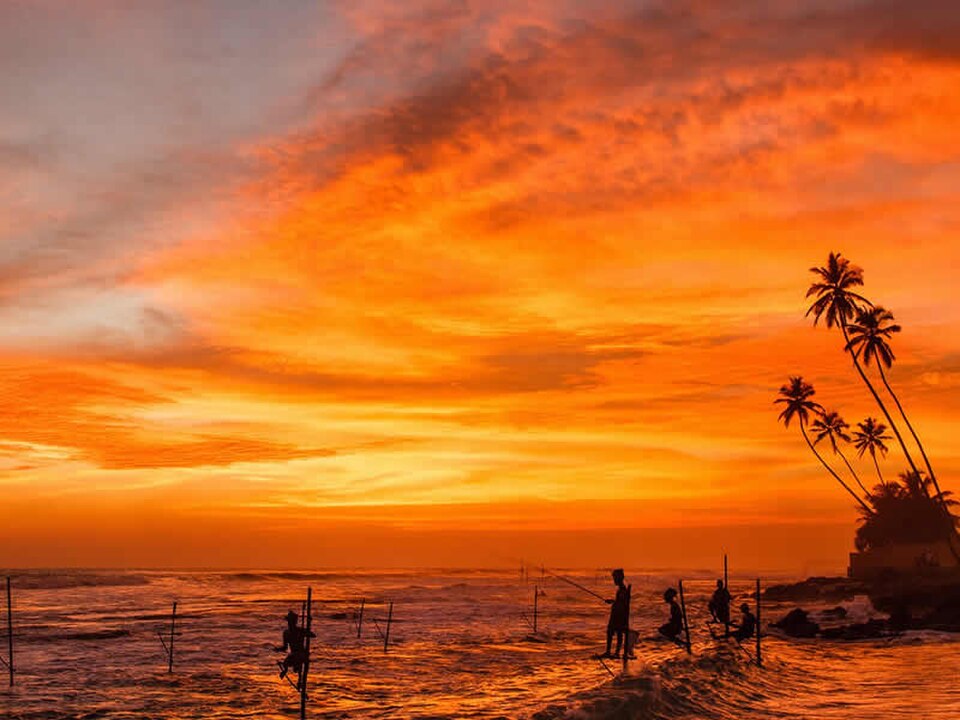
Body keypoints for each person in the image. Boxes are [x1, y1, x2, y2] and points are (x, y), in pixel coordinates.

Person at [276, 610, 316, 681]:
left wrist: (307, 630)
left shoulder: (300, 631)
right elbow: (285, 647)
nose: (290, 623)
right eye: (289, 621)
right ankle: (286, 670)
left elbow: (313, 635)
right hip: (294, 654)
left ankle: (300, 679)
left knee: (298, 661)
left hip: (301, 654)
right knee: (287, 662)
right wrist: (278, 649)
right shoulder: (286, 633)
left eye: (291, 621)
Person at [602, 568, 632, 658]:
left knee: (611, 632)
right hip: (619, 615)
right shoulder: (622, 589)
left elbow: (621, 603)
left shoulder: (622, 589)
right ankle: (616, 652)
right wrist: (613, 601)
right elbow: (621, 602)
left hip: (618, 615)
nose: (614, 580)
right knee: (617, 633)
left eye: (615, 578)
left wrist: (613, 602)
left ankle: (610, 652)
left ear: (620, 578)